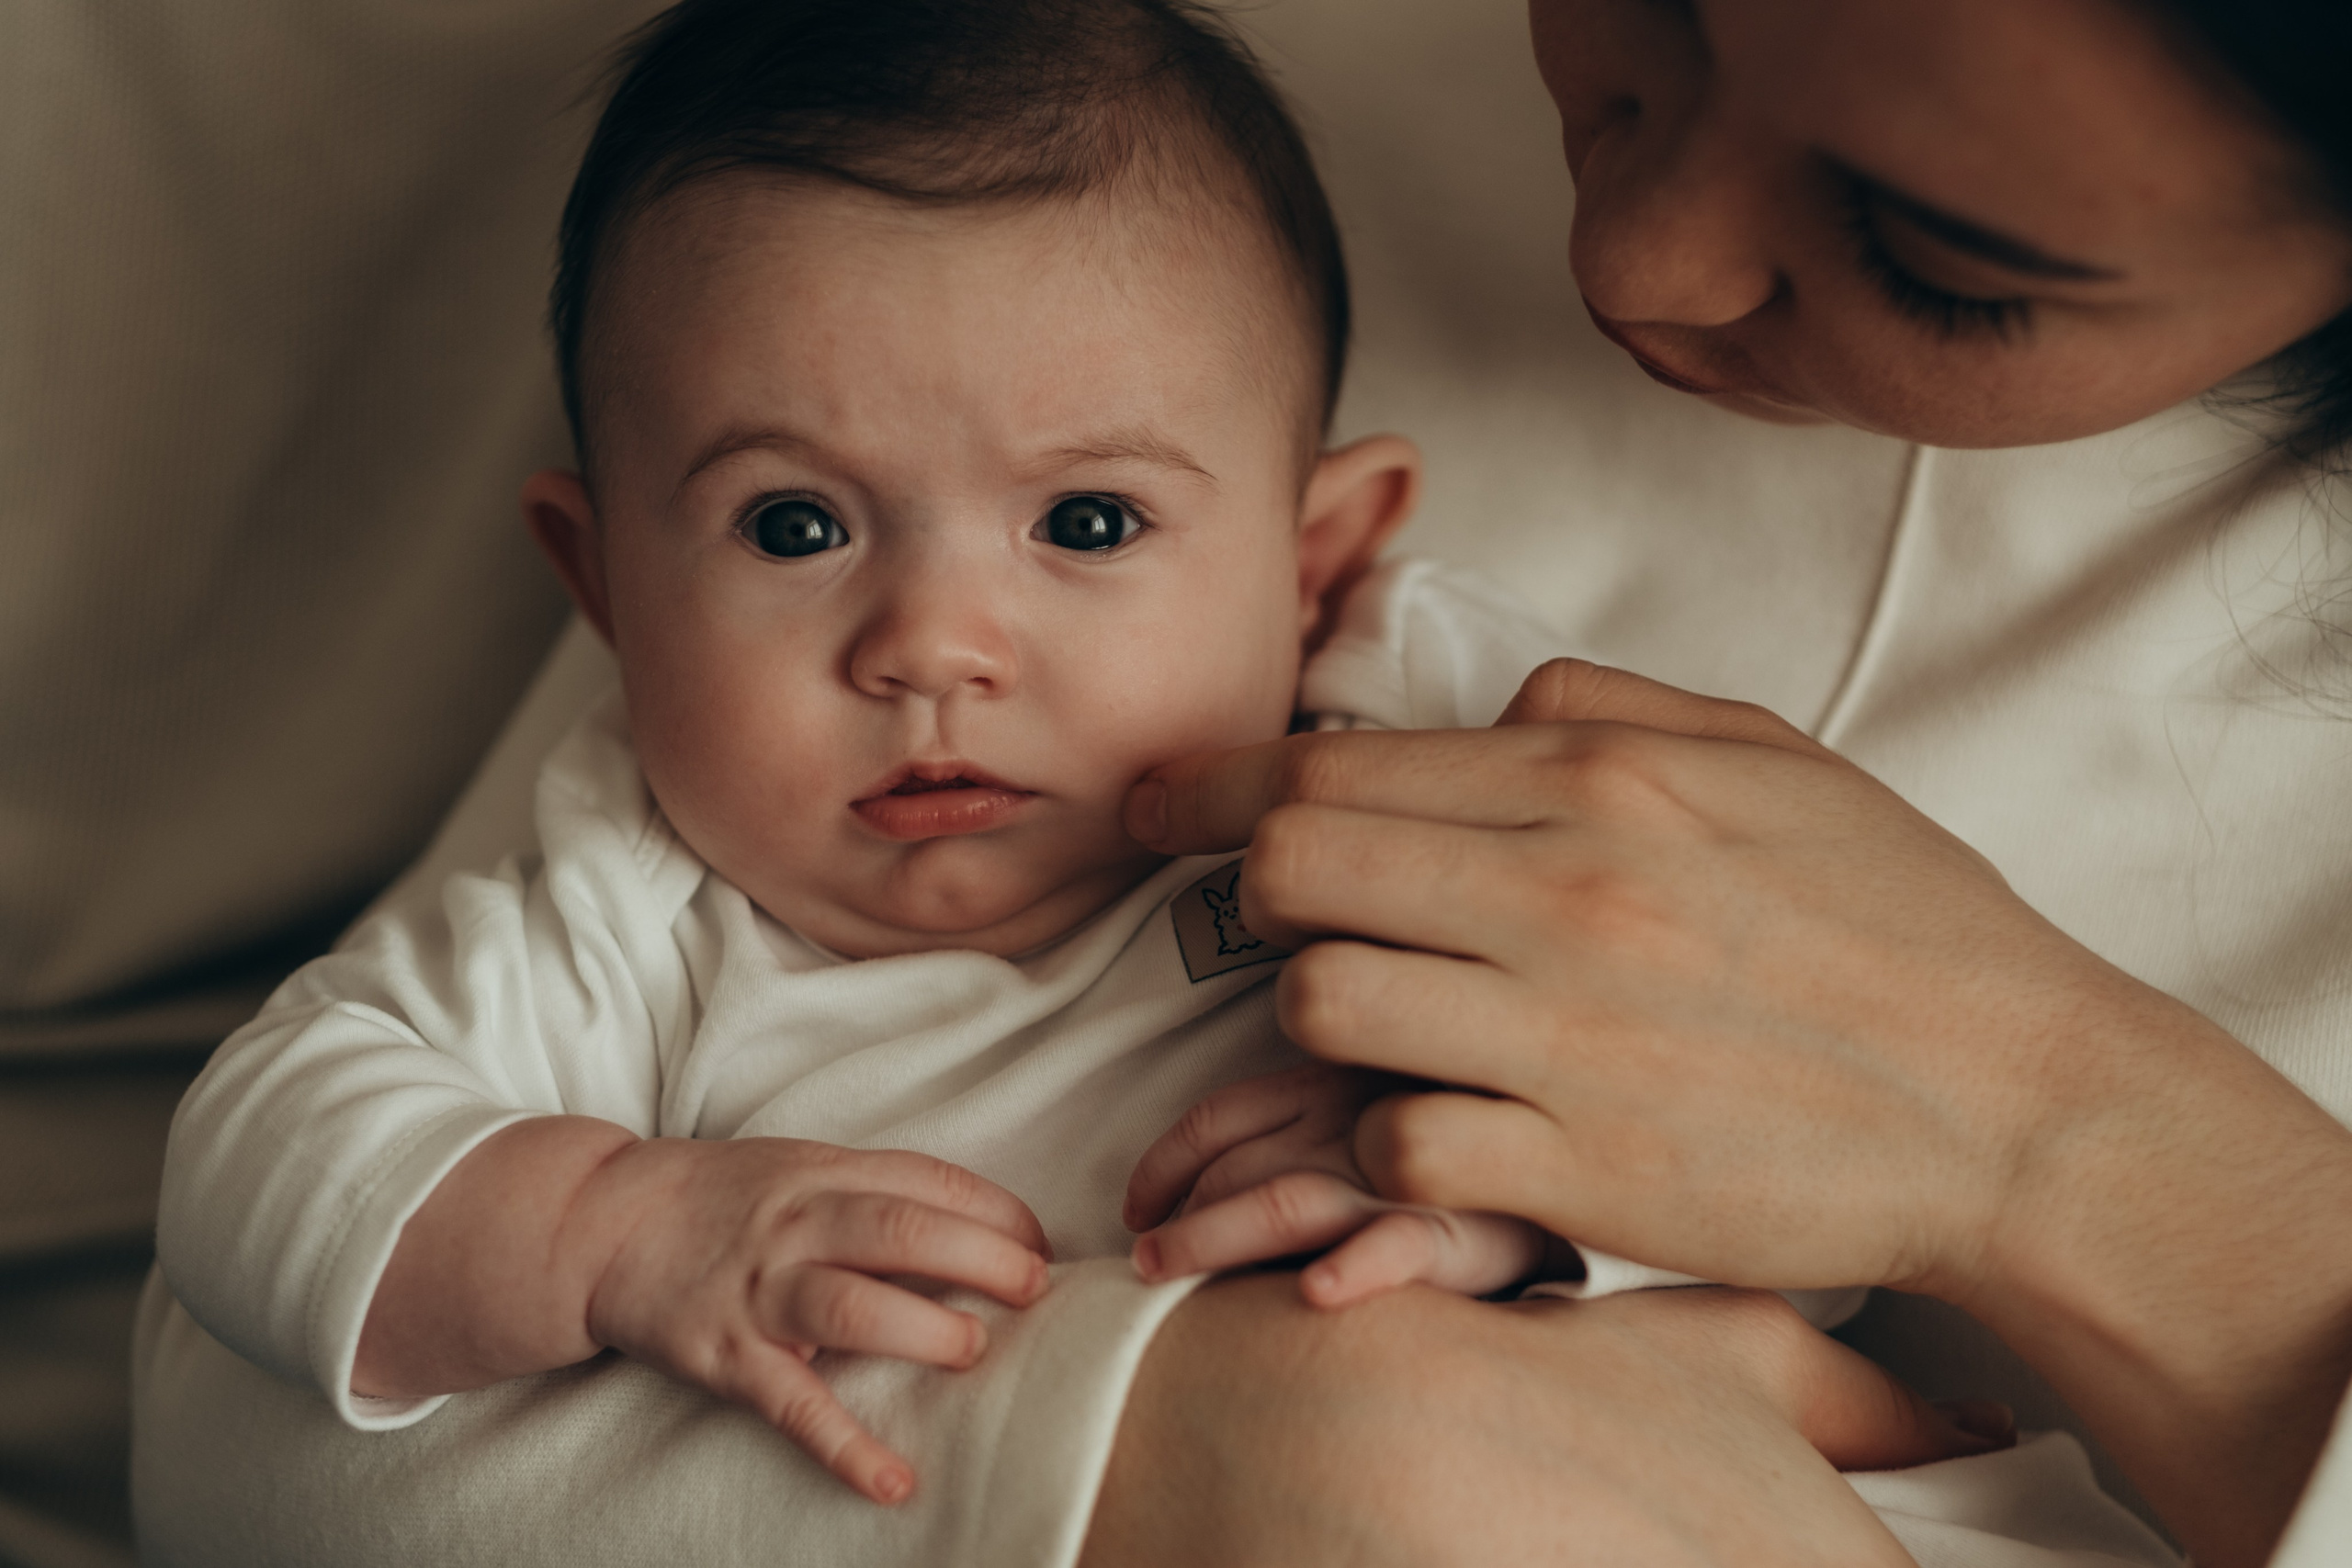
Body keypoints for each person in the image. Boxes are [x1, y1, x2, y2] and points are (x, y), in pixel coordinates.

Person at [125, 2, 2352, 1567]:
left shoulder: (1396, 700)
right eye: (1641, 20)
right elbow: (276, 1280)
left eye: (1947, 257)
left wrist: (1488, 1184)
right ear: (600, 574)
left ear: (1323, 554)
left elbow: (1720, 1159)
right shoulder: (666, 833)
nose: (1636, 266)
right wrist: (624, 1229)